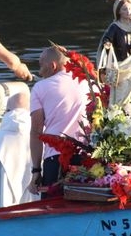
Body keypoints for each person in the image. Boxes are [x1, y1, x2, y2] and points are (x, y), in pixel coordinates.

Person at [28, 45, 90, 197]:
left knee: (52, 208)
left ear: (53, 66)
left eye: (41, 65)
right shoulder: (87, 82)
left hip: (55, 158)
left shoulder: (40, 87)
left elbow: (36, 132)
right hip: (86, 156)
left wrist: (36, 170)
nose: (39, 70)